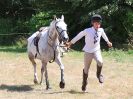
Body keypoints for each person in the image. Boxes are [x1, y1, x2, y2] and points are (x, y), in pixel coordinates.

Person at [66, 14, 112, 92]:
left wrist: (108, 42)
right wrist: (70, 43)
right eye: (96, 23)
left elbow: (104, 36)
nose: (98, 24)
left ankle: (98, 74)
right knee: (86, 69)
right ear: (93, 23)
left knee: (100, 62)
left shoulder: (101, 30)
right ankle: (84, 83)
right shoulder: (87, 31)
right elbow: (78, 36)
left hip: (96, 50)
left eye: (99, 23)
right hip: (88, 52)